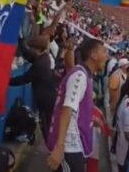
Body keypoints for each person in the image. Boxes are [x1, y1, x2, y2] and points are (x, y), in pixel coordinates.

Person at [46, 38, 109, 172]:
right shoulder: (80, 75)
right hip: (69, 147)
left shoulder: (84, 74)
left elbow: (76, 108)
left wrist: (89, 118)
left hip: (74, 146)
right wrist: (60, 146)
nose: (107, 55)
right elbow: (67, 109)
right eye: (104, 51)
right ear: (93, 55)